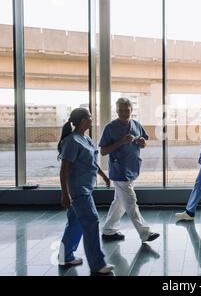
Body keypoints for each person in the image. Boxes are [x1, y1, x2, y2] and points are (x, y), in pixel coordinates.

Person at [57, 107, 114, 275]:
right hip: (77, 191)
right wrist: (64, 194)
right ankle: (98, 265)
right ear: (82, 121)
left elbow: (92, 162)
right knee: (91, 221)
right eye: (89, 117)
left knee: (75, 223)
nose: (91, 119)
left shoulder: (86, 138)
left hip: (86, 188)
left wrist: (103, 176)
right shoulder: (72, 141)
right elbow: (64, 170)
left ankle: (65, 256)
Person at [99, 97, 160, 243]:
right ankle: (145, 233)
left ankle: (108, 230)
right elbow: (103, 151)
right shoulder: (110, 128)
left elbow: (144, 143)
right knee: (131, 202)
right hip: (119, 171)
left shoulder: (136, 125)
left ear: (131, 110)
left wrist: (142, 142)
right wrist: (121, 142)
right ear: (116, 110)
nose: (124, 112)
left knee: (119, 202)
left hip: (132, 169)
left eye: (127, 110)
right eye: (121, 110)